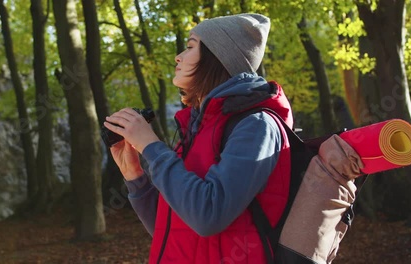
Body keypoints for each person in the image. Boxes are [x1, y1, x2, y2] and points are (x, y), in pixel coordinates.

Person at [103, 13, 293, 264]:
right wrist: (135, 177)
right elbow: (173, 228)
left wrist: (151, 146)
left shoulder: (256, 125)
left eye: (191, 46)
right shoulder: (199, 128)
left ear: (217, 58)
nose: (178, 56)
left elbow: (208, 216)